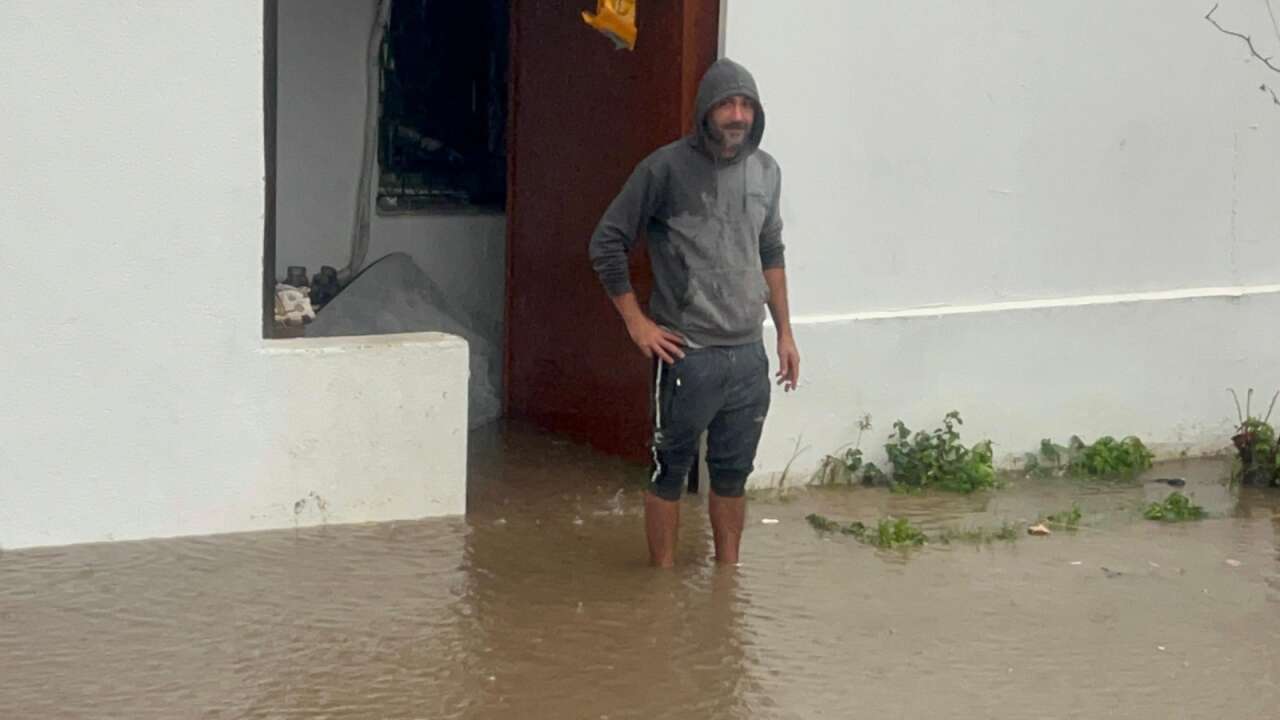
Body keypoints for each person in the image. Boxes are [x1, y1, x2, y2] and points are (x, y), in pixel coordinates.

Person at [588, 58, 799, 567]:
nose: (737, 115)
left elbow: (770, 250)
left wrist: (785, 334)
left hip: (748, 354)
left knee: (732, 475)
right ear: (706, 111)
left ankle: (727, 580)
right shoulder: (664, 169)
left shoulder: (766, 171)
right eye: (727, 104)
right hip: (687, 353)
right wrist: (638, 323)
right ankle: (660, 587)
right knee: (669, 473)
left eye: (746, 105)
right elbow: (607, 242)